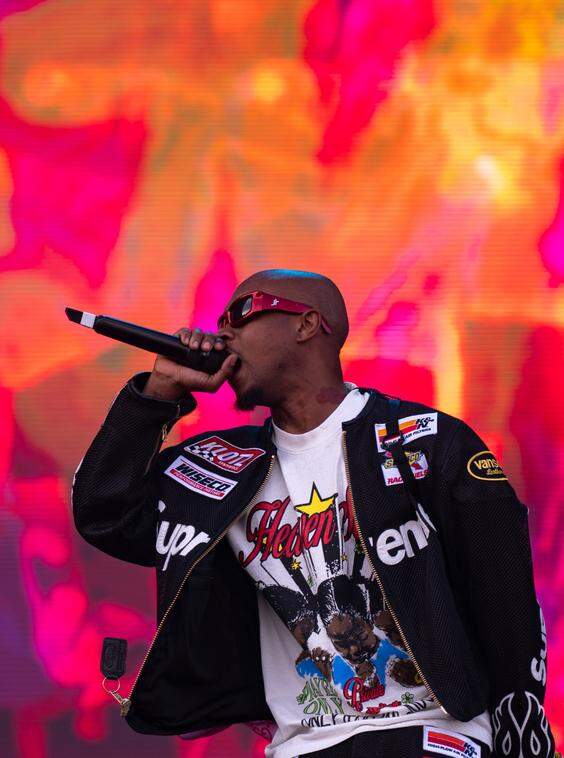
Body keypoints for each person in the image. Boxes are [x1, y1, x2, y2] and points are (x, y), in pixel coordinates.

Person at [72, 270, 556, 758]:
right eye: (219, 323)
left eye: (240, 313)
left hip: (433, 734)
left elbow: (506, 596)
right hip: (302, 746)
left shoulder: (427, 442)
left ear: (307, 324)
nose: (222, 334)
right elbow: (104, 512)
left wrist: (521, 729)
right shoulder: (221, 466)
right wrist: (158, 393)